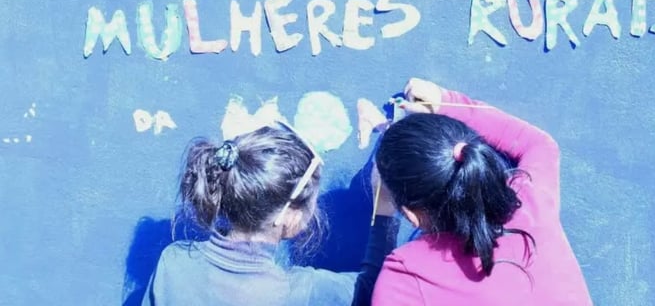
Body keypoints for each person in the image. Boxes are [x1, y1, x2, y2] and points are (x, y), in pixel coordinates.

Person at [371, 78, 593, 305]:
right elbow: (541, 145)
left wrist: (381, 217)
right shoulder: (529, 201)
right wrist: (447, 102)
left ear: (412, 216)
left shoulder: (405, 277)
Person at [142, 121, 398, 306]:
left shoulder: (172, 262)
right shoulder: (300, 293)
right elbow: (381, 287)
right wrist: (384, 208)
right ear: (289, 216)